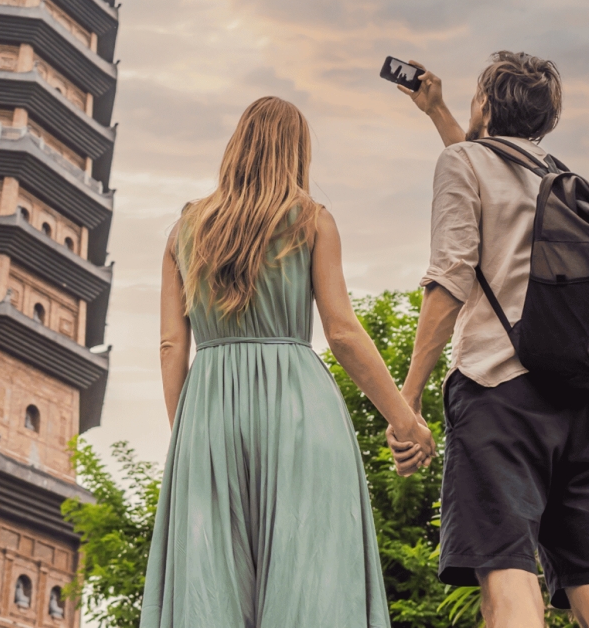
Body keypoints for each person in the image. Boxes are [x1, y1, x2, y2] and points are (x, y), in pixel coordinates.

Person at [139, 96, 436, 628]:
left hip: (207, 410)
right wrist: (404, 420)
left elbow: (170, 346)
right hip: (300, 409)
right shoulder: (313, 221)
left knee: (210, 587)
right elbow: (342, 333)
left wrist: (188, 436)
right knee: (311, 575)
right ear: (296, 152)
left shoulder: (183, 230)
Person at [388, 52, 589, 628]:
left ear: (485, 104)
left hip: (498, 399)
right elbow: (488, 172)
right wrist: (438, 113)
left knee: (509, 587)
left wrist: (408, 396)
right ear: (547, 118)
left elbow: (452, 278)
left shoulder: (464, 163)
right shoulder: (563, 181)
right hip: (576, 407)